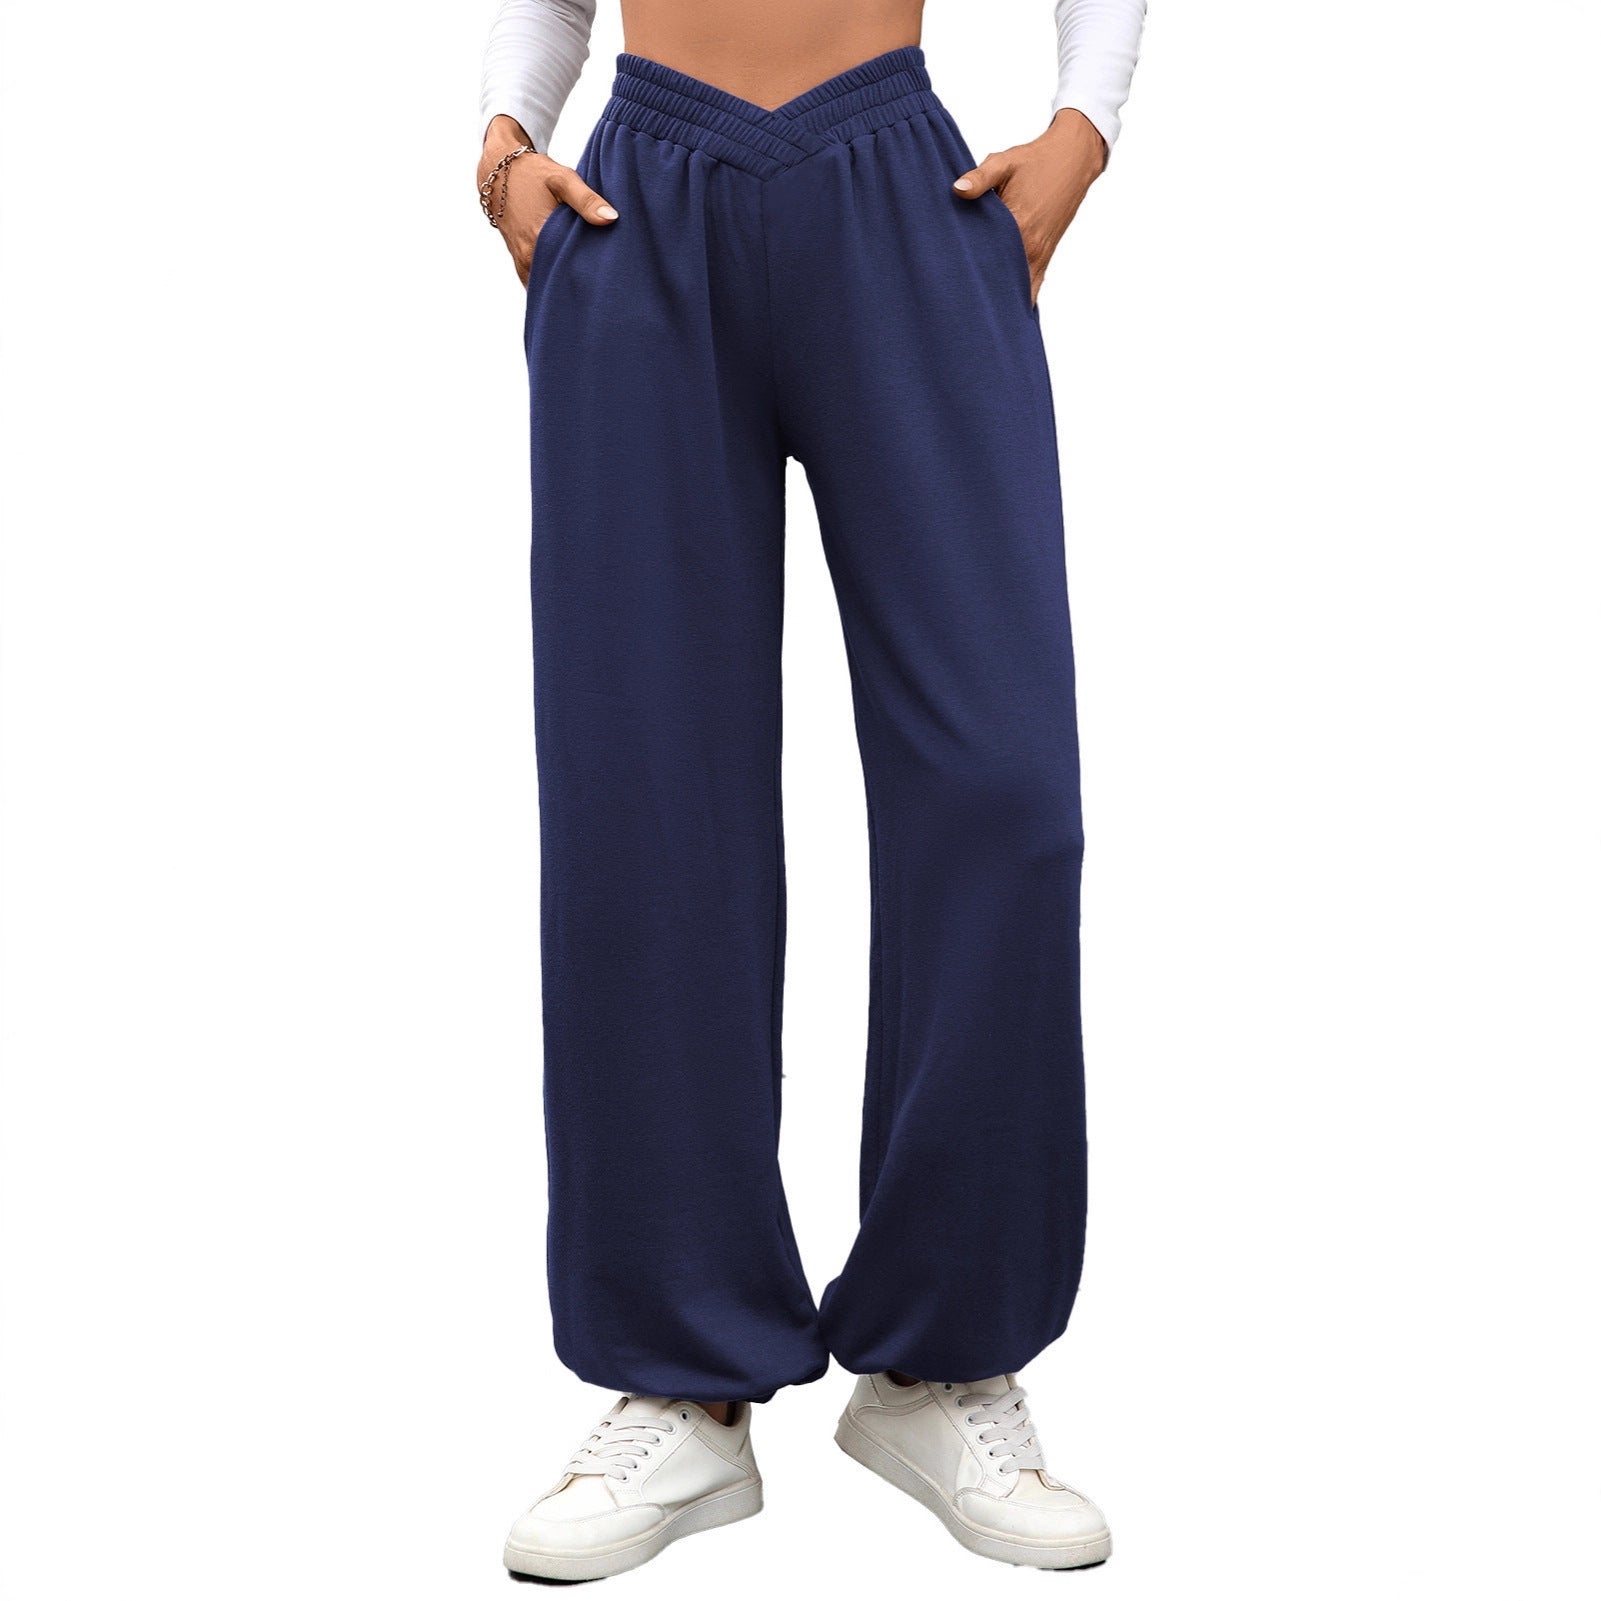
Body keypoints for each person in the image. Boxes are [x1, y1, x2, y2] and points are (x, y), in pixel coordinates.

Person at [477, 0, 1143, 1580]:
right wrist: (505, 146)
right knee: (644, 797)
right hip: (636, 196)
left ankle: (940, 1358)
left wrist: (1085, 123)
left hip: (896, 176)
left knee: (1000, 794)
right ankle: (680, 1371)